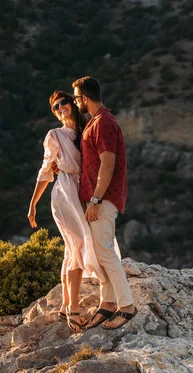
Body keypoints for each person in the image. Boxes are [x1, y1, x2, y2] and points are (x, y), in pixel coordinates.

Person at [27, 90, 106, 333]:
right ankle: (73, 309)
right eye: (55, 107)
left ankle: (64, 305)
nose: (60, 108)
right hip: (64, 192)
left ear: (73, 103)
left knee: (73, 247)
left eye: (63, 103)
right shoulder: (54, 135)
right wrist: (32, 205)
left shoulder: (85, 130)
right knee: (79, 244)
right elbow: (45, 171)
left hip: (82, 190)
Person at [72, 76, 137, 330]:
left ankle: (128, 307)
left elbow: (107, 164)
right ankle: (107, 303)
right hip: (97, 199)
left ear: (84, 98)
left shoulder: (104, 123)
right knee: (101, 253)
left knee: (106, 253)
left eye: (76, 97)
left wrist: (96, 199)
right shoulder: (97, 122)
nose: (76, 102)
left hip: (103, 199)